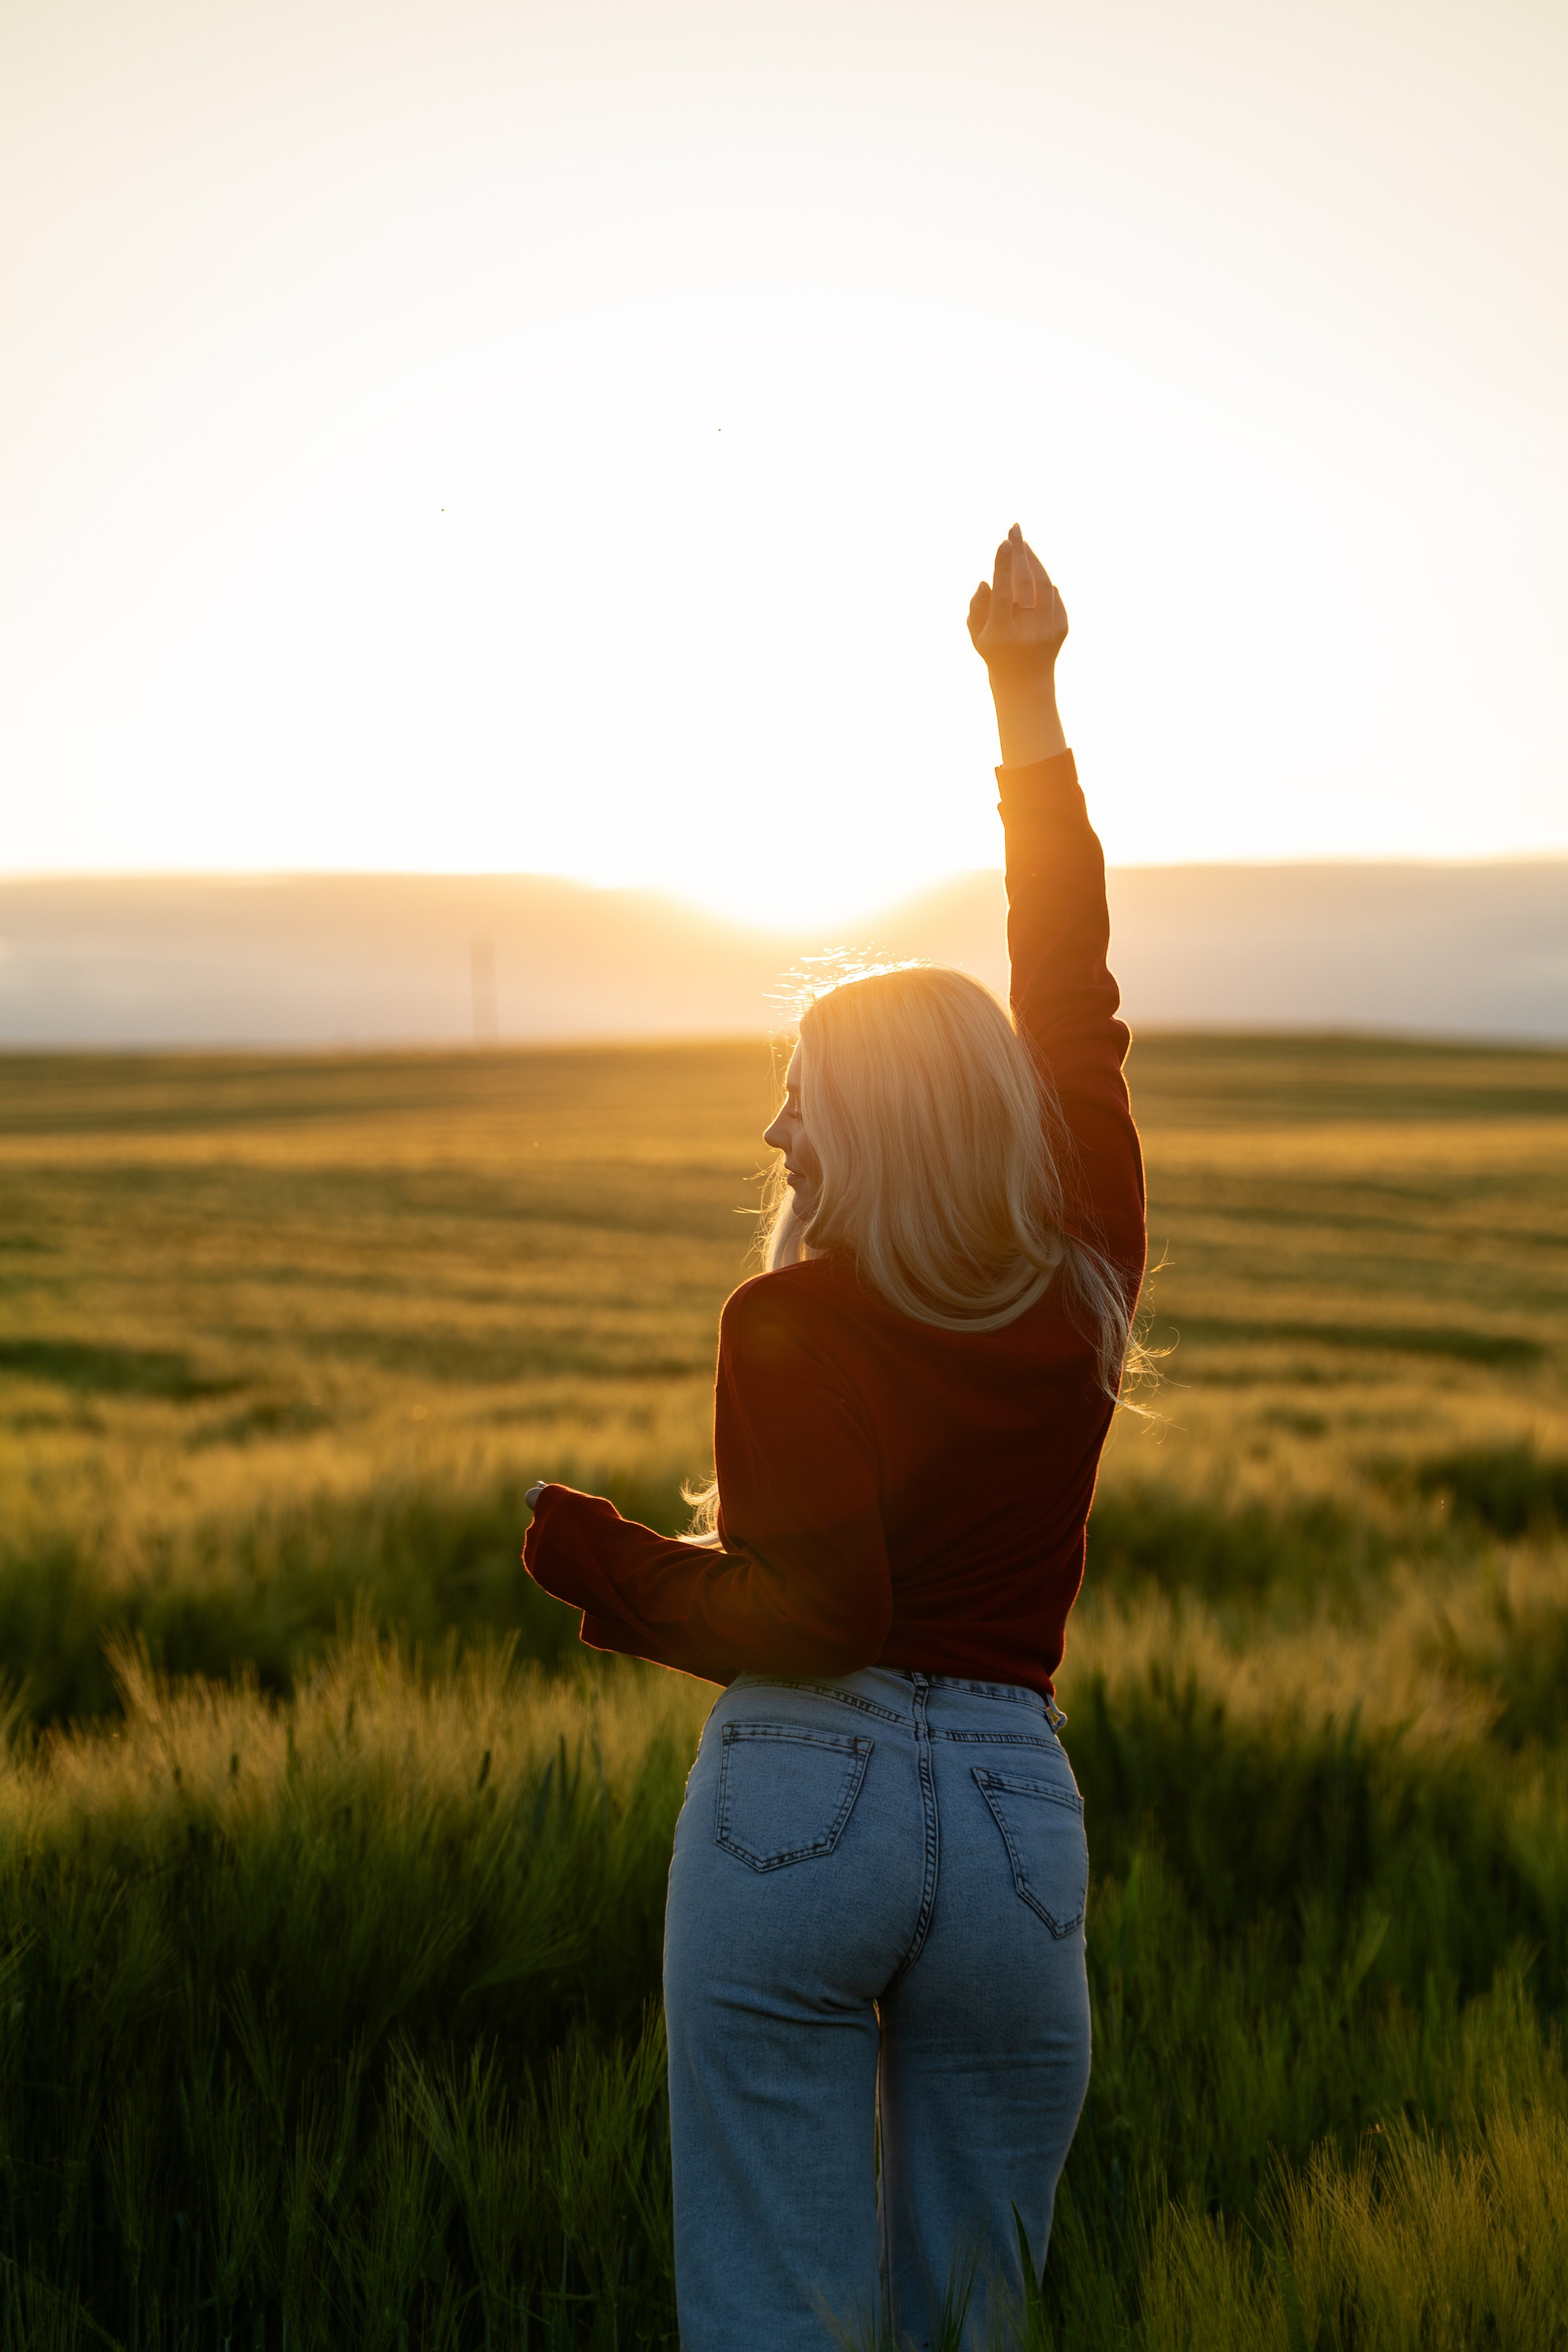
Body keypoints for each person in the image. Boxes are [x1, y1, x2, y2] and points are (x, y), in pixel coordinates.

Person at [522, 526, 1148, 2351]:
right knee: (978, 2316)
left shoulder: (792, 1323)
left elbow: (820, 1614)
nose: (782, 1139)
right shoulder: (1083, 1267)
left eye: (801, 1102)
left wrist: (606, 1566)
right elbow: (1072, 995)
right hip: (1023, 1819)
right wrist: (1024, 695)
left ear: (866, 1123)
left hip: (811, 1802)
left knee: (778, 2316)